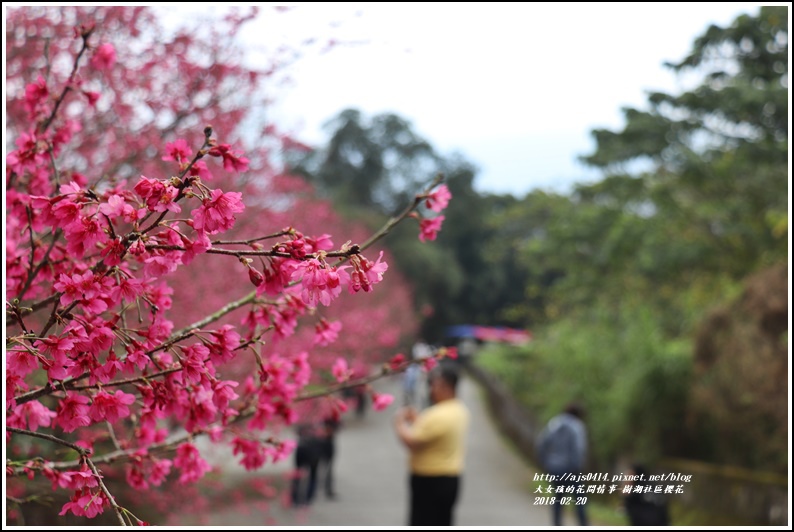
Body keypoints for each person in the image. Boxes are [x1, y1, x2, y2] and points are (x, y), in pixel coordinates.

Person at [393, 363, 470, 526]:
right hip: (449, 478)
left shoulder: (438, 415)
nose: (431, 389)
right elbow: (431, 432)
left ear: (445, 386)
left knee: (423, 521)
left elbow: (412, 441)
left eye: (434, 384)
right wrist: (417, 421)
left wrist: (399, 422)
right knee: (442, 520)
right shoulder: (459, 409)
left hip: (430, 480)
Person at [535, 402, 589, 526]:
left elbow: (541, 443)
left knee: (558, 498)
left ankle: (557, 525)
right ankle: (583, 525)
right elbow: (579, 449)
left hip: (554, 468)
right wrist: (577, 467)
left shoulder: (554, 423)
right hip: (570, 469)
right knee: (580, 499)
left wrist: (545, 462)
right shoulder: (577, 426)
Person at [290, 422, 322, 507]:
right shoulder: (319, 420)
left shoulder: (304, 417)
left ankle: (296, 499)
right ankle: (307, 499)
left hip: (303, 449)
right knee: (311, 476)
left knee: (300, 476)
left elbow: (297, 431)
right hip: (313, 451)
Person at [317, 415, 341, 500]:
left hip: (328, 445)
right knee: (316, 468)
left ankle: (328, 489)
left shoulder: (332, 413)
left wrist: (331, 430)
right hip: (316, 444)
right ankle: (316, 488)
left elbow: (339, 424)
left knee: (329, 468)